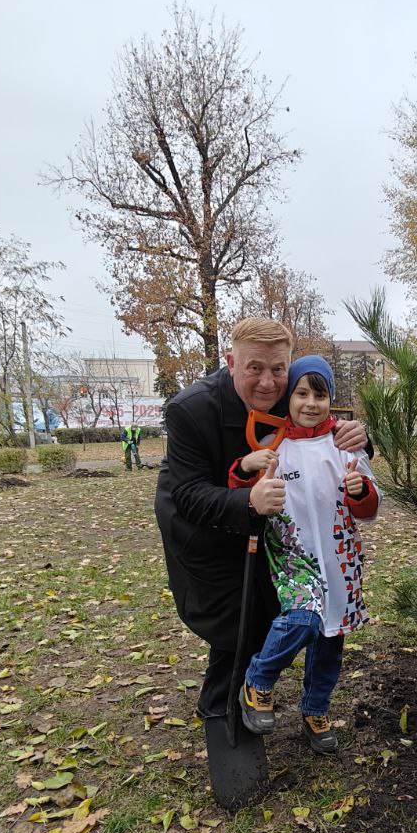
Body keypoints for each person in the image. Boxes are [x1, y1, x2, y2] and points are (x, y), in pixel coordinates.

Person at [153, 318, 368, 722]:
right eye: (254, 368)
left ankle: (247, 700)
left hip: (271, 529)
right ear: (231, 362)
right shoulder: (190, 410)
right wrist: (247, 501)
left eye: (278, 369)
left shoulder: (288, 391)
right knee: (235, 619)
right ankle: (221, 708)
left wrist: (358, 437)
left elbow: (320, 424)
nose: (268, 383)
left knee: (272, 610)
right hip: (201, 527)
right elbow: (188, 494)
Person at [228, 355, 380, 754]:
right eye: (301, 394)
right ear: (289, 398)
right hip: (293, 555)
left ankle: (315, 711)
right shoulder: (272, 446)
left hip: (340, 557)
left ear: (331, 399)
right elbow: (240, 492)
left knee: (331, 640)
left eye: (320, 395)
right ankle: (258, 680)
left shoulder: (344, 447)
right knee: (305, 618)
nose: (311, 403)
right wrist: (244, 468)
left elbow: (369, 508)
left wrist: (361, 492)